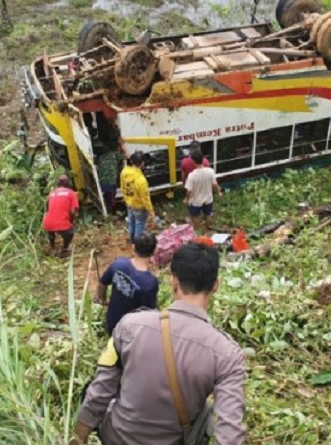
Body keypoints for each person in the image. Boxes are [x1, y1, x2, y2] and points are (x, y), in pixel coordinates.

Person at [72, 243, 246, 445]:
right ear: (215, 285)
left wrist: (77, 439)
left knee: (93, 386)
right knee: (206, 411)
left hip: (117, 438)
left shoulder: (129, 325)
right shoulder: (227, 354)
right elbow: (230, 433)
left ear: (173, 283)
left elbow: (99, 391)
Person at [98, 232, 159, 336]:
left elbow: (102, 284)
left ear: (133, 247)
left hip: (111, 325)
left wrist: (102, 299)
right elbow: (148, 316)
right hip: (129, 335)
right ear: (154, 252)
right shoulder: (150, 283)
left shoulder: (119, 263)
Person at [120, 151, 154, 244]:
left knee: (131, 222)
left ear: (131, 161)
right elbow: (145, 198)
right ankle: (137, 243)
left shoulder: (124, 172)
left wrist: (125, 197)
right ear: (142, 163)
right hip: (139, 207)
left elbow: (122, 186)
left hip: (129, 203)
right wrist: (151, 211)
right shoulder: (141, 180)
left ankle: (132, 239)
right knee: (140, 224)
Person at [185, 150, 222, 234]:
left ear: (193, 161)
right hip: (208, 199)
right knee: (208, 215)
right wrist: (218, 193)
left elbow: (189, 190)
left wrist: (186, 199)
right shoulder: (210, 171)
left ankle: (197, 232)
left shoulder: (192, 175)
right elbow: (215, 184)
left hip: (195, 201)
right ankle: (205, 231)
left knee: (196, 217)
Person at [42, 174, 79, 257]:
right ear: (68, 183)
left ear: (58, 183)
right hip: (61, 223)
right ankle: (64, 249)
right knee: (70, 232)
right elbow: (73, 211)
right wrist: (71, 221)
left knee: (51, 231)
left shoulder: (51, 193)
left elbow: (48, 208)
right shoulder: (71, 193)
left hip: (48, 223)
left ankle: (52, 248)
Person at [97, 144, 123, 214]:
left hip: (103, 181)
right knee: (111, 196)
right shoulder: (114, 155)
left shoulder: (100, 157)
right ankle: (112, 211)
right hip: (111, 181)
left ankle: (108, 209)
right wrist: (121, 147)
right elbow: (123, 157)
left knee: (108, 195)